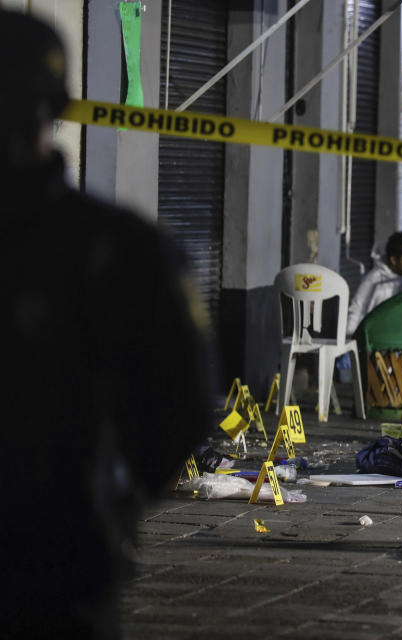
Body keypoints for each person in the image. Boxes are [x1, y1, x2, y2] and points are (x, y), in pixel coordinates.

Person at [1, 10, 214, 637]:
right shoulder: (118, 246)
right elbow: (182, 406)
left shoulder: (115, 252)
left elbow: (181, 407)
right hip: (64, 553)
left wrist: (104, 506)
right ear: (62, 106)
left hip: (56, 563)